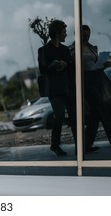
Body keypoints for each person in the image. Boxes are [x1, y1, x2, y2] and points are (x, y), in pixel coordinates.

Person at [70, 25, 111, 151]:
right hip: (85, 81)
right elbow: (72, 67)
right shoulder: (72, 49)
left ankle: (86, 145)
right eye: (83, 35)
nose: (86, 37)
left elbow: (94, 62)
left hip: (96, 78)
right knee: (102, 108)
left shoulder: (91, 47)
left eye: (87, 35)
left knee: (95, 114)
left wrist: (102, 63)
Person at [38, 19, 76, 156]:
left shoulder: (66, 49)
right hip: (54, 88)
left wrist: (67, 65)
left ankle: (80, 145)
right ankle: (55, 145)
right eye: (64, 32)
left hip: (68, 87)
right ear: (58, 34)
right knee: (59, 116)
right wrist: (53, 66)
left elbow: (71, 67)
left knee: (74, 116)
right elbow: (42, 69)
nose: (66, 34)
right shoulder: (43, 50)